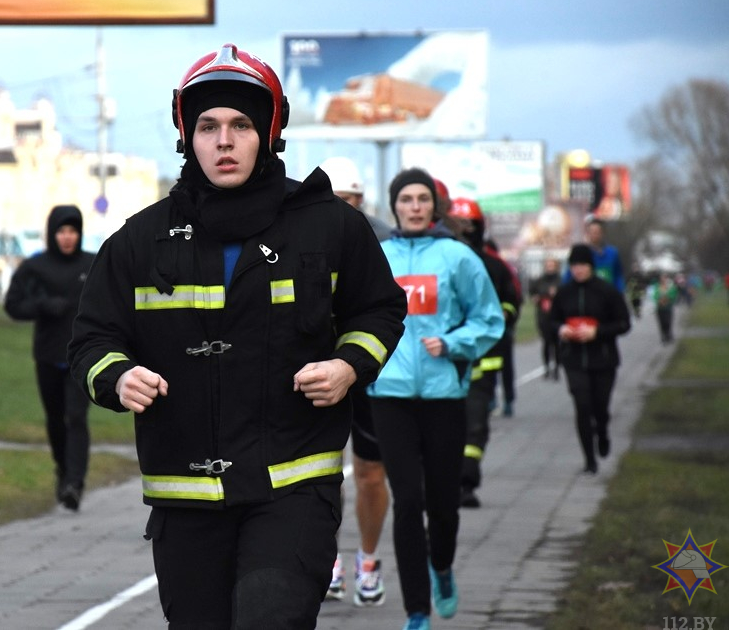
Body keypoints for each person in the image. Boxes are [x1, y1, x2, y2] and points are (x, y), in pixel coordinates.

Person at [67, 43, 408, 629]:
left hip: (294, 488)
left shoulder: (332, 228)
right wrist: (118, 375)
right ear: (187, 136)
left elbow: (380, 310)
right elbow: (89, 341)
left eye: (241, 125)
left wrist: (349, 366)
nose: (224, 140)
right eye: (208, 126)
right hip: (184, 500)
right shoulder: (138, 241)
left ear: (269, 132)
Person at [367, 169, 504, 630]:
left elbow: (488, 320)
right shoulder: (376, 257)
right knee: (407, 501)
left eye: (423, 198)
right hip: (390, 395)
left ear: (434, 207)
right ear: (395, 207)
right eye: (406, 199)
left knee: (442, 504)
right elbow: (352, 316)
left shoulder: (457, 257)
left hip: (445, 396)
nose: (415, 206)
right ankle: (417, 612)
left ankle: (442, 567)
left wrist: (453, 344)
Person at [320, 155, 391, 607]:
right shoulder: (297, 238)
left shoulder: (382, 238)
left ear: (361, 201)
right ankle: (328, 563)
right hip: (317, 372)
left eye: (349, 200)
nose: (342, 210)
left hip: (366, 371)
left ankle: (368, 560)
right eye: (334, 200)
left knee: (368, 473)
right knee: (322, 474)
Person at [4, 205, 96, 511]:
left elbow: (111, 302)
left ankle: (75, 483)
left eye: (73, 231)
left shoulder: (92, 265)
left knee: (76, 417)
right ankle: (62, 470)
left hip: (82, 358)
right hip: (47, 355)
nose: (67, 237)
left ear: (80, 234)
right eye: (62, 231)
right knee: (56, 421)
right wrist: (43, 306)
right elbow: (13, 304)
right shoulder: (36, 268)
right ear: (52, 233)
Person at [449, 197, 519, 510]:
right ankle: (447, 481)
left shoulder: (494, 265)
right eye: (459, 225)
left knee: (475, 425)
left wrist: (503, 314)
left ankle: (466, 483)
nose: (465, 231)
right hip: (446, 362)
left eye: (470, 225)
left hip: (483, 361)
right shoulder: (445, 262)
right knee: (448, 427)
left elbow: (512, 299)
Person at [549, 244, 631, 475]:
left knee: (600, 407)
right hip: (574, 359)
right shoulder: (564, 293)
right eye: (574, 265)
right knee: (582, 406)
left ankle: (602, 431)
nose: (578, 270)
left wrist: (598, 332)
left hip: (603, 359)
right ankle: (589, 459)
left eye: (583, 265)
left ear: (591, 267)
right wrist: (561, 329)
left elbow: (624, 323)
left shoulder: (607, 291)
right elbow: (552, 321)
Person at [483, 238, 522, 416]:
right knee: (489, 366)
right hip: (485, 327)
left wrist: (505, 314)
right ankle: (491, 399)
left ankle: (507, 401)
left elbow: (514, 297)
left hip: (502, 327)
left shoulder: (501, 267)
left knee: (503, 366)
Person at [566, 216, 625, 292]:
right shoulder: (581, 254)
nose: (595, 235)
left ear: (602, 233)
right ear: (588, 233)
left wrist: (619, 293)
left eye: (597, 232)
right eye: (592, 232)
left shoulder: (612, 253)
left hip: (608, 296)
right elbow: (569, 277)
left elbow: (618, 276)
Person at [529, 257, 563, 380]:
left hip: (557, 315)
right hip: (543, 315)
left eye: (552, 265)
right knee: (546, 342)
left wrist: (556, 294)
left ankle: (557, 368)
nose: (549, 268)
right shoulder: (539, 281)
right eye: (547, 265)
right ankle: (547, 367)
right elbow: (532, 292)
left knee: (556, 343)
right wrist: (535, 298)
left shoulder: (560, 281)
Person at [653, 273, 678, 345]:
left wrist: (668, 299)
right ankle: (663, 336)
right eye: (661, 278)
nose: (663, 279)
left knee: (668, 322)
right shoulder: (657, 287)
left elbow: (674, 294)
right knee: (661, 323)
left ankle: (668, 334)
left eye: (664, 278)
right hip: (660, 308)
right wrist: (659, 300)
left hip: (668, 307)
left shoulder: (670, 287)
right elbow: (654, 295)